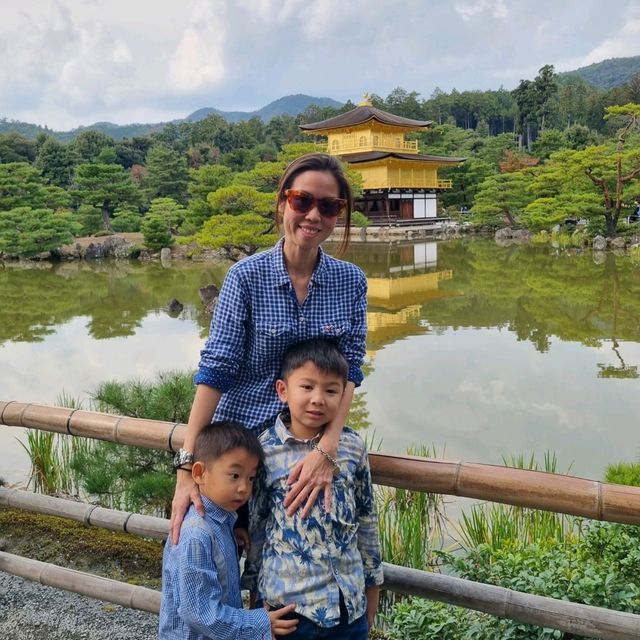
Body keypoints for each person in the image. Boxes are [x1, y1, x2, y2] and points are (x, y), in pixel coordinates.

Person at [170, 153, 368, 543]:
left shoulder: (351, 282)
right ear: (282, 203)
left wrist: (328, 448)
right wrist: (184, 468)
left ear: (338, 215)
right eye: (302, 201)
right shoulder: (246, 277)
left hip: (306, 445)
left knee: (294, 557)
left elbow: (351, 372)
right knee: (213, 550)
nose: (313, 215)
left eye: (329, 206)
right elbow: (216, 370)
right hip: (239, 448)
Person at [242, 339, 384, 638]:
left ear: (345, 395)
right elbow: (259, 527)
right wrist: (257, 606)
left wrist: (372, 592)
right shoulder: (266, 450)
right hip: (289, 610)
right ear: (283, 390)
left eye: (331, 390)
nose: (318, 399)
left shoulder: (352, 447)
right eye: (307, 387)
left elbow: (367, 520)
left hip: (348, 606)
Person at [159, 420, 299, 639]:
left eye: (250, 478)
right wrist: (260, 623)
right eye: (234, 476)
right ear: (199, 473)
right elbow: (200, 614)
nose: (244, 487)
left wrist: (231, 532)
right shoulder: (197, 534)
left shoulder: (219, 523)